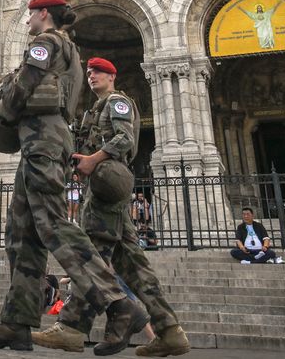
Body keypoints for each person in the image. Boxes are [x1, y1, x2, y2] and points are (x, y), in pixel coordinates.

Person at [0, 0, 148, 353]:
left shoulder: (47, 42)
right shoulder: (67, 50)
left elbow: (25, 82)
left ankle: (119, 304)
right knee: (22, 234)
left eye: (30, 17)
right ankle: (17, 323)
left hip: (43, 139)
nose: (27, 24)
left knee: (52, 222)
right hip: (37, 141)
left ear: (42, 14)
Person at [32, 56, 189, 356]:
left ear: (112, 76)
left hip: (107, 189)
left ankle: (72, 328)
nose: (92, 76)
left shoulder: (118, 102)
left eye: (99, 72)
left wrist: (94, 159)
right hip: (102, 189)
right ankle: (170, 331)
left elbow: (125, 139)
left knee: (92, 257)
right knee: (134, 265)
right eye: (90, 72)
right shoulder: (95, 107)